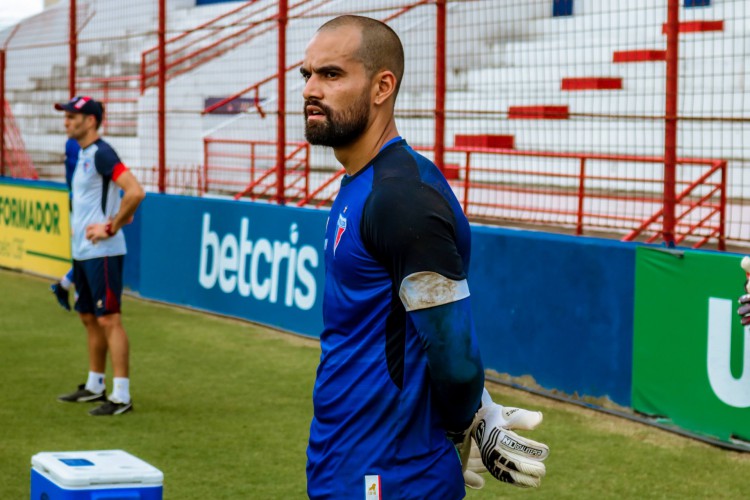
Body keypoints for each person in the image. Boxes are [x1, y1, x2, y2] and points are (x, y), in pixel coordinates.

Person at [302, 16, 549, 499]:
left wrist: (463, 426)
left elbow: (454, 354)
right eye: (306, 74)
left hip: (390, 475)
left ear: (382, 87)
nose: (311, 89)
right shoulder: (363, 182)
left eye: (331, 74)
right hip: (349, 462)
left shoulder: (401, 199)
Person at [53, 96, 145, 416]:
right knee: (89, 317)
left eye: (72, 116)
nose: (66, 121)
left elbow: (135, 191)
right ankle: (95, 385)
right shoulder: (82, 153)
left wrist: (111, 226)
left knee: (109, 319)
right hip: (83, 252)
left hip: (103, 251)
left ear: (90, 121)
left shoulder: (103, 153)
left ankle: (121, 396)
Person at [50, 138, 81, 311]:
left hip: (76, 199)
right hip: (80, 202)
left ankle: (66, 286)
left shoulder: (72, 143)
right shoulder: (78, 144)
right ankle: (74, 293)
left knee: (83, 250)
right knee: (85, 251)